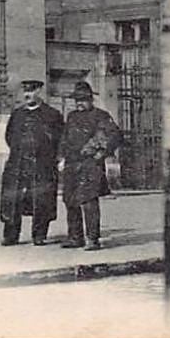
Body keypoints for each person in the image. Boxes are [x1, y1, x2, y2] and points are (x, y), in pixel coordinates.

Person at [0, 79, 63, 246]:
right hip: (18, 163)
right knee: (12, 199)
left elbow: (60, 139)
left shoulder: (52, 115)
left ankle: (39, 235)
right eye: (25, 91)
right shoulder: (17, 114)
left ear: (39, 91)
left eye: (32, 90)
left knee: (42, 199)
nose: (28, 94)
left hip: (42, 164)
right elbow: (9, 136)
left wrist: (53, 157)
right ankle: (11, 236)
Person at [60, 80, 121, 250]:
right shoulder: (71, 116)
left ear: (91, 100)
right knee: (70, 200)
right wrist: (61, 157)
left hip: (90, 164)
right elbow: (65, 138)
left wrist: (101, 153)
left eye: (83, 99)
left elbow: (115, 136)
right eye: (77, 100)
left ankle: (92, 239)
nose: (80, 103)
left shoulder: (101, 116)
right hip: (72, 164)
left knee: (88, 201)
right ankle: (75, 237)